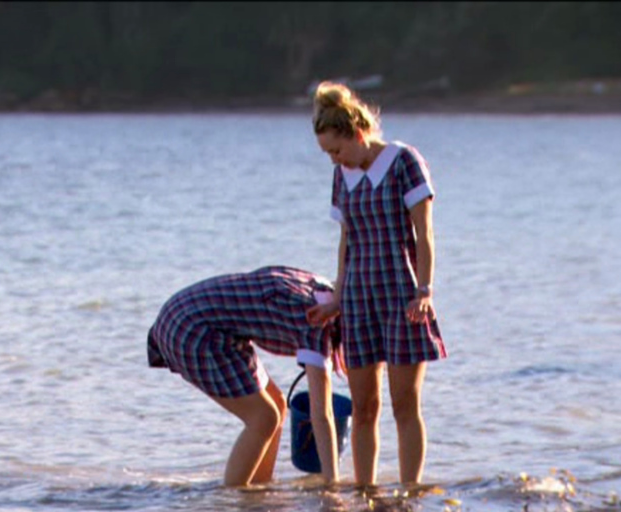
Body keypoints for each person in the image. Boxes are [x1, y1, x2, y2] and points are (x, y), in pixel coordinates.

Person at [305, 81, 447, 487]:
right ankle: (365, 491)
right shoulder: (342, 176)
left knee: (405, 405)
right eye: (327, 154)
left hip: (402, 295)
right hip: (358, 299)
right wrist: (337, 297)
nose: (334, 160)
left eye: (336, 150)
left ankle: (410, 492)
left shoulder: (404, 162)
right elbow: (346, 241)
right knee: (364, 407)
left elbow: (424, 234)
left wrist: (425, 291)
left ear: (357, 133)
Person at [147, 265, 345, 487]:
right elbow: (322, 414)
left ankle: (260, 488)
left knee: (277, 405)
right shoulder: (318, 322)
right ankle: (234, 498)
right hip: (188, 328)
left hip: (186, 313)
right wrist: (332, 485)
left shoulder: (320, 288)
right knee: (263, 417)